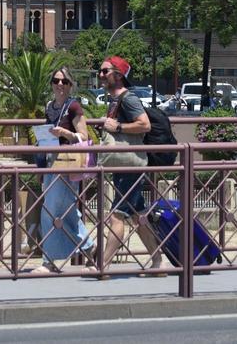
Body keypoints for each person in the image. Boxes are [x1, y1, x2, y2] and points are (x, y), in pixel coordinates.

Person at [97, 55, 164, 275]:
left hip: (131, 164)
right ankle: (157, 262)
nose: (101, 75)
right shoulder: (115, 100)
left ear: (118, 75)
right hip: (125, 163)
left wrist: (117, 128)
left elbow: (144, 125)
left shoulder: (128, 99)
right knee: (138, 215)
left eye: (105, 71)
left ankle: (103, 266)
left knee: (116, 215)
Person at [33, 66, 95, 273]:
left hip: (67, 163)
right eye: (56, 80)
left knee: (50, 210)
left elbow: (84, 136)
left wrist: (66, 134)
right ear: (51, 83)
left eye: (64, 81)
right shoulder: (49, 106)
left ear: (70, 85)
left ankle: (48, 261)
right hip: (50, 162)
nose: (60, 84)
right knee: (65, 211)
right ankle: (88, 245)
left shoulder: (74, 106)